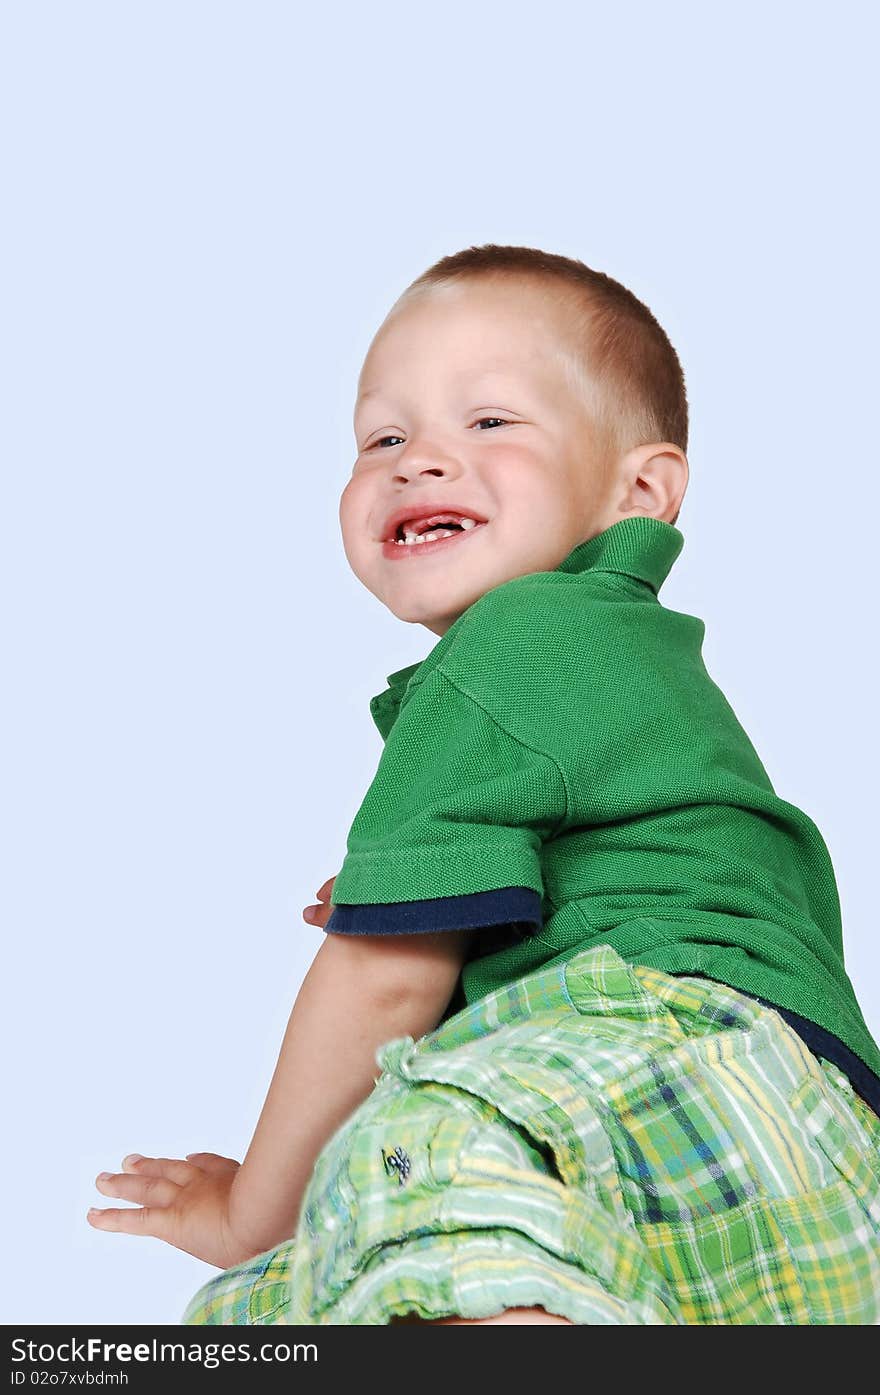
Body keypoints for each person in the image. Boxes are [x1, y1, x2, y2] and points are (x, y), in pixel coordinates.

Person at [88, 245, 880, 1325]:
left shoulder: (515, 641)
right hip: (809, 1155)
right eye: (382, 436)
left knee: (398, 1174)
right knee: (294, 1306)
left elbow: (380, 977)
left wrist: (248, 1212)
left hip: (668, 1056)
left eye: (491, 423)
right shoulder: (622, 663)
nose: (419, 461)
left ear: (637, 490)